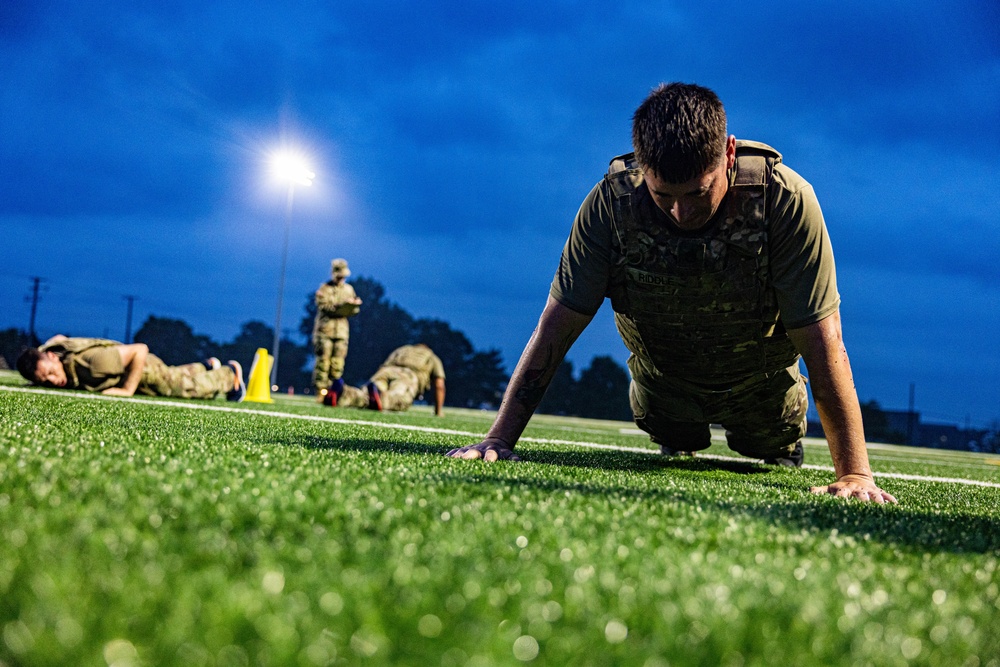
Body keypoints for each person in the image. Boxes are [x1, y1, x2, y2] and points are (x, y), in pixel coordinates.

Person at [446, 82, 896, 504]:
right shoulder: (609, 207)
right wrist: (499, 439)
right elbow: (556, 328)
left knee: (766, 443)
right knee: (672, 431)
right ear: (644, 170)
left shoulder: (785, 202)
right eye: (664, 196)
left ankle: (777, 443)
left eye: (698, 193)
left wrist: (855, 474)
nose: (682, 213)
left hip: (763, 388)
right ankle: (676, 430)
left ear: (729, 153)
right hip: (663, 387)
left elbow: (823, 341)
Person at [17, 335, 245, 401]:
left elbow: (139, 350)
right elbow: (57, 338)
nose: (53, 380)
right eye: (44, 381)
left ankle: (229, 374)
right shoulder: (54, 353)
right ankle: (205, 367)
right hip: (128, 371)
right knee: (176, 374)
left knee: (180, 389)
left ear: (52, 358)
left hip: (143, 368)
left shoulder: (92, 363)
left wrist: (127, 390)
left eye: (50, 373)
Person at [336, 344, 446, 416]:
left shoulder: (402, 349)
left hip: (386, 371)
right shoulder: (432, 357)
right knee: (397, 398)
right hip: (407, 375)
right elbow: (439, 386)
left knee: (365, 393)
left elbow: (384, 365)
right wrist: (438, 412)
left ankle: (344, 393)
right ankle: (380, 397)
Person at [312, 258, 362, 404]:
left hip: (341, 332)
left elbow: (354, 310)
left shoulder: (349, 290)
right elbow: (324, 307)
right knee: (323, 363)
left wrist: (352, 306)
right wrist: (341, 305)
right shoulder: (324, 289)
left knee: (337, 364)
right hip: (325, 331)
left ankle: (334, 393)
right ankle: (321, 392)